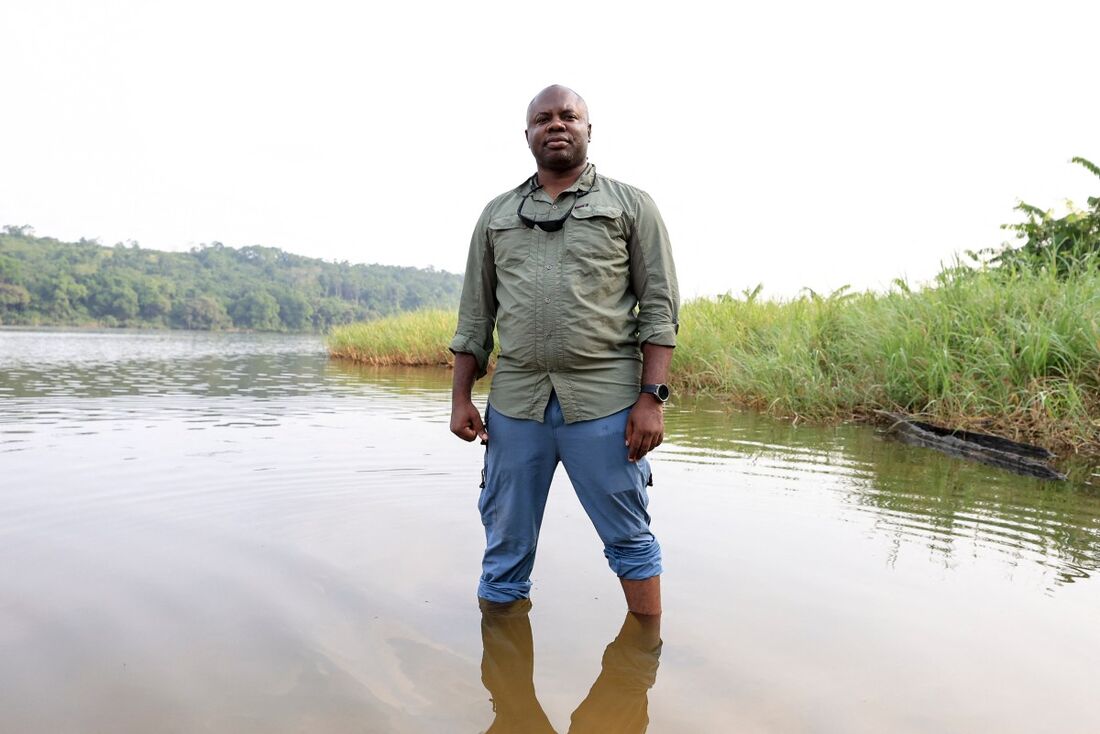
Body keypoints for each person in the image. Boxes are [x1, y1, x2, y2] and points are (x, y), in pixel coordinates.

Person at [449, 84, 679, 616]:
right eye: (544, 118)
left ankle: (643, 661)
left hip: (608, 405)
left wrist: (653, 399)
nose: (557, 125)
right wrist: (460, 399)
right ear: (527, 134)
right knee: (504, 547)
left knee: (630, 540)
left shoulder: (631, 205)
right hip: (516, 406)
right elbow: (475, 317)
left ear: (588, 131)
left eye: (569, 116)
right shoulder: (496, 215)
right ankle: (506, 692)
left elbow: (660, 309)